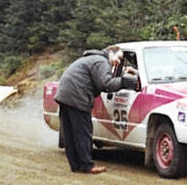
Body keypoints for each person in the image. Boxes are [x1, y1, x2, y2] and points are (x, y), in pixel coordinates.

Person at [55, 46, 138, 174]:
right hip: (77, 96)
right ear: (111, 53)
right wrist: (124, 82)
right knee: (83, 132)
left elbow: (102, 78)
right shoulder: (102, 61)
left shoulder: (93, 59)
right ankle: (87, 165)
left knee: (70, 132)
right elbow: (106, 83)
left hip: (64, 93)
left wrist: (123, 73)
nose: (119, 61)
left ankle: (75, 165)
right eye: (119, 58)